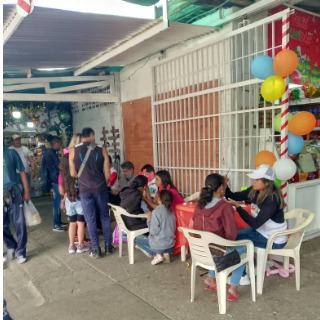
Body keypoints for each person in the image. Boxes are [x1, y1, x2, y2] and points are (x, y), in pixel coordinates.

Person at [193, 173, 246, 301]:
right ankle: (233, 287)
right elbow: (231, 235)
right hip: (217, 255)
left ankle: (211, 278)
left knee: (215, 245)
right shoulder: (225, 207)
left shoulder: (198, 205)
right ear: (222, 188)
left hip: (200, 253)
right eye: (225, 186)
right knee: (244, 248)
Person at [69, 127, 114, 258]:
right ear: (92, 135)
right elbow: (107, 175)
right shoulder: (102, 149)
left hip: (84, 190)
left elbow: (73, 173)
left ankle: (95, 249)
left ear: (82, 136)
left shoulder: (73, 151)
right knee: (105, 217)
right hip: (100, 189)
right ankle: (108, 246)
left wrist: (84, 177)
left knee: (90, 219)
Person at [226, 164, 288, 249]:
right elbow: (233, 196)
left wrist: (238, 207)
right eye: (254, 179)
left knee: (236, 241)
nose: (253, 182)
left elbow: (255, 224)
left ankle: (244, 261)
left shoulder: (272, 199)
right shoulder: (254, 191)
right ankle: (251, 260)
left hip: (273, 239)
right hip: (261, 231)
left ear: (266, 183)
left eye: (257, 179)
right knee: (233, 236)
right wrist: (224, 185)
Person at [135, 190, 176, 265]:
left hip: (159, 246)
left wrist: (149, 219)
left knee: (136, 238)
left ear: (159, 200)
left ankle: (157, 255)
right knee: (158, 240)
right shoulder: (172, 211)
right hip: (171, 246)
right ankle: (166, 253)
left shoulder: (156, 212)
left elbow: (153, 231)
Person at [3, 148, 30, 264]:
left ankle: (21, 251)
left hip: (14, 193)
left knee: (19, 223)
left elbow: (22, 172)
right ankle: (12, 245)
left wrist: (27, 191)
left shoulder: (10, 153)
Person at [59, 154, 89, 254]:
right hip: (79, 199)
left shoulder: (61, 174)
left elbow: (61, 190)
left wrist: (63, 200)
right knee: (80, 223)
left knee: (72, 223)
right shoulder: (76, 172)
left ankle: (71, 246)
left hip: (68, 199)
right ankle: (80, 245)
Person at [42, 135, 67, 232]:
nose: (60, 145)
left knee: (57, 202)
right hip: (55, 180)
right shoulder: (51, 153)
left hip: (54, 179)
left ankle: (58, 222)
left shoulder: (49, 152)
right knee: (57, 203)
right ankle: (56, 224)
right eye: (60, 144)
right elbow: (60, 166)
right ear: (56, 143)